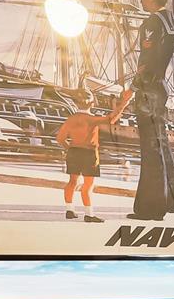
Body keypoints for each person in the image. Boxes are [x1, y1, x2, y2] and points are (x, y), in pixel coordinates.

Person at [129, 0, 174, 221]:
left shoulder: (152, 22)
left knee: (150, 149)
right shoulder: (170, 19)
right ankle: (172, 202)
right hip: (160, 87)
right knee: (161, 145)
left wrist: (136, 83)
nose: (140, 2)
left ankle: (151, 208)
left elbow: (147, 59)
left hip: (148, 88)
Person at [52, 88, 132, 223]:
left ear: (76, 103)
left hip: (73, 153)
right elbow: (112, 118)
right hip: (89, 154)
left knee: (72, 182)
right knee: (88, 186)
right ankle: (89, 214)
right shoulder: (92, 119)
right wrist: (124, 102)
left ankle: (69, 210)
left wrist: (70, 148)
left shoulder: (70, 120)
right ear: (92, 104)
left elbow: (60, 139)